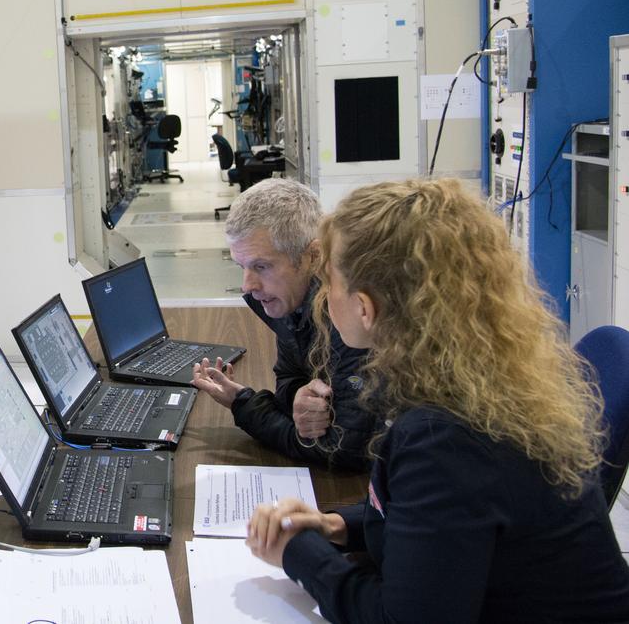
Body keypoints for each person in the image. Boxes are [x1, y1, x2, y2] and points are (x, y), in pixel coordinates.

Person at [246, 178, 629, 622]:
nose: (322, 298)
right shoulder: (481, 375)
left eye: (328, 281)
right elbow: (437, 519)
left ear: (365, 308)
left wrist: (299, 553)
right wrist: (337, 526)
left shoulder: (442, 436)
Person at [191, 179, 373, 470]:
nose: (247, 286)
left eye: (261, 266)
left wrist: (244, 404)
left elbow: (341, 450)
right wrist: (299, 398)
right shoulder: (286, 299)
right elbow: (289, 373)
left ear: (313, 256)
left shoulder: (351, 319)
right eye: (242, 266)